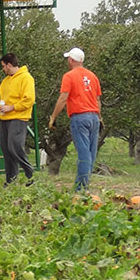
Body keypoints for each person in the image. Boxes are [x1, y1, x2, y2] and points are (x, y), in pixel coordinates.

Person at [48, 47, 102, 191]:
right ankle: (84, 183)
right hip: (94, 117)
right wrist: (99, 117)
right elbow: (98, 100)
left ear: (71, 60)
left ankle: (81, 188)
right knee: (91, 153)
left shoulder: (69, 76)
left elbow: (63, 98)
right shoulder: (93, 76)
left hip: (80, 117)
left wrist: (53, 117)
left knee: (84, 154)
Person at [0, 53, 35, 185]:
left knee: (14, 146)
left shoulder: (26, 78)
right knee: (6, 148)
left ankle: (29, 173)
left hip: (19, 118)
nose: (3, 69)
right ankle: (10, 180)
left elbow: (29, 100)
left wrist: (13, 107)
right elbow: (2, 103)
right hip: (4, 119)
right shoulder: (5, 82)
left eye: (3, 66)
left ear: (9, 65)